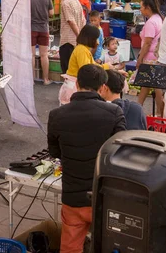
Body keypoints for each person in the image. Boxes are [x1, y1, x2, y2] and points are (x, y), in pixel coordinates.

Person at [48, 64, 125, 253]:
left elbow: (55, 153)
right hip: (104, 196)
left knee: (70, 248)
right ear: (102, 87)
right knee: (110, 245)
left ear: (77, 83)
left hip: (73, 196)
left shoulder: (56, 115)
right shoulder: (114, 113)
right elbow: (121, 154)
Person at [59, 25, 111, 105]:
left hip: (76, 84)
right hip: (74, 86)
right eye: (96, 38)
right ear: (90, 38)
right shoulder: (81, 50)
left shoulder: (84, 49)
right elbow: (88, 69)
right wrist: (105, 67)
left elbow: (91, 65)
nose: (97, 42)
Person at [136, 0, 164, 113]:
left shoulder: (151, 22)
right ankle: (138, 109)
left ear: (148, 8)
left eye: (142, 7)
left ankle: (159, 113)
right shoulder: (158, 18)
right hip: (156, 56)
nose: (140, 10)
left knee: (156, 88)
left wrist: (140, 58)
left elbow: (147, 43)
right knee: (146, 85)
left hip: (150, 58)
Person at [57, 0, 86, 75]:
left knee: (68, 70)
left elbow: (71, 21)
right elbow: (83, 20)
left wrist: (78, 36)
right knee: (76, 69)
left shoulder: (65, 3)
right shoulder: (76, 0)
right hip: (76, 41)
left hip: (67, 41)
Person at [30, 0, 54, 85]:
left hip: (31, 29)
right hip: (44, 28)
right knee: (44, 55)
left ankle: (32, 80)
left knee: (32, 55)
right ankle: (45, 79)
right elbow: (52, 13)